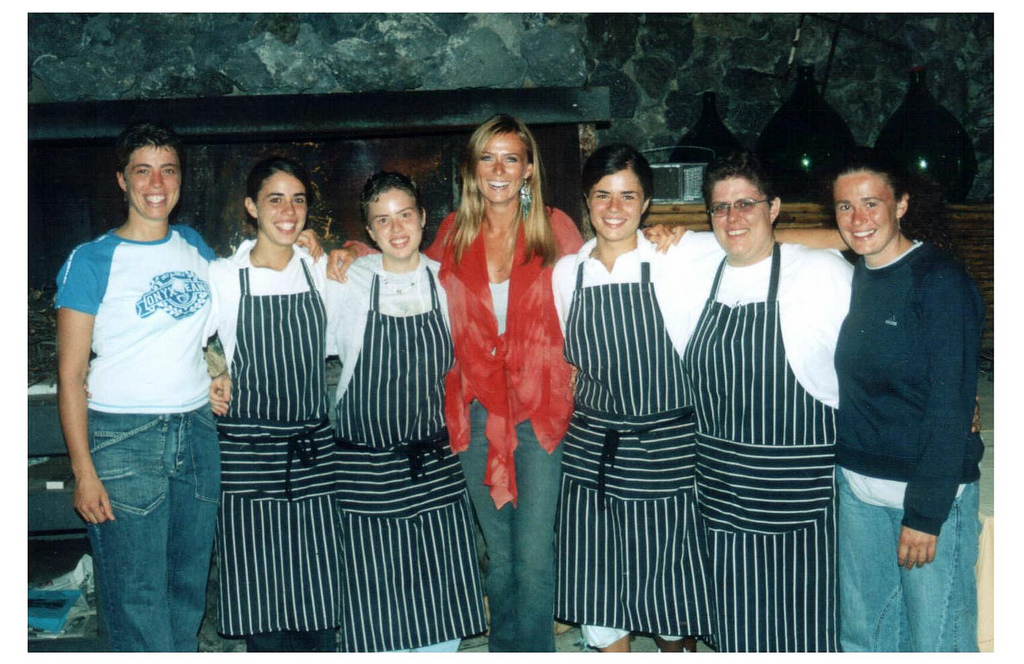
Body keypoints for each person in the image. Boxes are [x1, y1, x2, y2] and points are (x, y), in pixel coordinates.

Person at [328, 114, 584, 651]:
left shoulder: (555, 228)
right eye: (487, 158)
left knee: (533, 556)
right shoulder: (453, 231)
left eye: (511, 158)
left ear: (528, 168)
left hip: (540, 412)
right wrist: (350, 249)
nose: (499, 170)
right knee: (500, 555)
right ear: (472, 169)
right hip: (475, 413)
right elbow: (404, 262)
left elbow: (593, 294)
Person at [55, 123, 221, 651]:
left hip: (196, 433)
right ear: (122, 180)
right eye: (143, 171)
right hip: (124, 439)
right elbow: (70, 375)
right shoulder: (91, 260)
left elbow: (222, 317)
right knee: (135, 598)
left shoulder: (194, 246)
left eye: (168, 170)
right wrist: (84, 472)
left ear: (180, 179)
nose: (157, 183)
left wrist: (219, 369)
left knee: (186, 589)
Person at [682, 150, 852, 652]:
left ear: (773, 208)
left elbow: (880, 356)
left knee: (804, 629)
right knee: (739, 629)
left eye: (746, 204)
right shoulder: (698, 271)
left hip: (798, 493)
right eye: (720, 207)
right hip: (722, 496)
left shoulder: (819, 272)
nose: (732, 217)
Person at [551, 145, 718, 652]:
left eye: (628, 195)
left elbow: (768, 244)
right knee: (599, 584)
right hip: (593, 451)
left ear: (647, 204)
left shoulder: (674, 255)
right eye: (603, 194)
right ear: (587, 200)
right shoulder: (568, 272)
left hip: (665, 449)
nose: (615, 207)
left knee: (670, 582)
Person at [325, 172, 487, 652]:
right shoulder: (347, 280)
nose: (396, 229)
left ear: (422, 218)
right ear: (369, 232)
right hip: (365, 465)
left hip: (434, 460)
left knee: (441, 596)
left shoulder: (447, 281)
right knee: (377, 601)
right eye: (383, 220)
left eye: (405, 215)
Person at [830, 153, 984, 652]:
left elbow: (951, 407)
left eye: (871, 203)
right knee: (865, 640)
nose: (858, 219)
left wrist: (925, 513)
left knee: (936, 643)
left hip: (925, 494)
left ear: (901, 205)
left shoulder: (939, 282)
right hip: (859, 489)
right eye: (845, 206)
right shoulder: (854, 273)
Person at [204, 157, 340, 651]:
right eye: (275, 199)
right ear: (251, 207)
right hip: (248, 452)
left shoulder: (319, 270)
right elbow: (185, 340)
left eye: (298, 200)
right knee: (260, 588)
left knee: (319, 587)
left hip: (312, 450)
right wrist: (213, 371)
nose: (288, 211)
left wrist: (348, 251)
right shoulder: (223, 276)